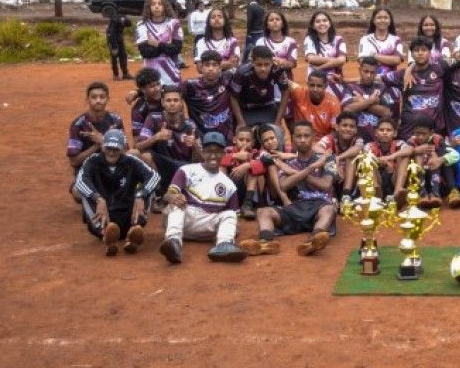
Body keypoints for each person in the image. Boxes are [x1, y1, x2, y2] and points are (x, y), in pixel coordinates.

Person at [241, 120, 337, 257]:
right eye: (299, 136)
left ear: (313, 137)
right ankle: (265, 243)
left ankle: (315, 240)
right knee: (263, 212)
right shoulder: (288, 161)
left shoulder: (327, 158)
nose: (302, 140)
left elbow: (326, 184)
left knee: (329, 209)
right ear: (293, 138)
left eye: (306, 136)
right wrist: (311, 168)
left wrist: (294, 173)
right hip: (295, 207)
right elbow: (284, 185)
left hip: (319, 205)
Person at [158, 131, 248, 264]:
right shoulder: (186, 170)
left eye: (217, 151)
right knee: (175, 206)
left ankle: (224, 245)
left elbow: (235, 217)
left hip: (207, 227)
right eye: (208, 151)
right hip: (184, 219)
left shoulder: (230, 185)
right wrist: (173, 197)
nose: (213, 155)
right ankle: (174, 243)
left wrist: (231, 230)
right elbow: (170, 192)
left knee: (230, 214)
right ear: (203, 152)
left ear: (223, 154)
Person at [75, 129, 158, 256]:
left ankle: (134, 230)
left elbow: (154, 177)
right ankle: (106, 234)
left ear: (122, 149)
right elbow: (80, 181)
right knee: (85, 193)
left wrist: (141, 195)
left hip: (128, 215)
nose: (111, 152)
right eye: (108, 148)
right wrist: (98, 198)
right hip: (103, 217)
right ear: (103, 147)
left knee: (147, 191)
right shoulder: (92, 161)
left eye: (116, 149)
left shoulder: (131, 161)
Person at [135, 85, 200, 205]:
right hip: (162, 167)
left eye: (176, 100)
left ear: (181, 103)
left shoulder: (190, 124)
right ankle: (159, 193)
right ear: (162, 102)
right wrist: (156, 137)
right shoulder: (153, 118)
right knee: (142, 155)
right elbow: (138, 147)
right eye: (168, 100)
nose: (172, 103)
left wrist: (194, 145)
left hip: (183, 168)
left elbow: (200, 159)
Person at [67, 82, 126, 198]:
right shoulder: (78, 125)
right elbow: (73, 161)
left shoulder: (116, 120)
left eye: (102, 97)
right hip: (89, 170)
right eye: (94, 97)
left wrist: (103, 140)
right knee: (77, 192)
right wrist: (97, 145)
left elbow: (126, 152)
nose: (98, 100)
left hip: (113, 168)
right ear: (87, 99)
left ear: (107, 99)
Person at [383, 37, 448, 138]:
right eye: (416, 50)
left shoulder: (439, 68)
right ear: (411, 54)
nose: (420, 53)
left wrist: (411, 67)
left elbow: (459, 62)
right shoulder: (403, 74)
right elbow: (379, 79)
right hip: (408, 132)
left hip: (434, 132)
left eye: (424, 50)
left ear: (430, 52)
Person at [393, 116, 459, 208]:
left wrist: (439, 160)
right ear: (413, 132)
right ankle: (421, 195)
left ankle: (436, 195)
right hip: (418, 180)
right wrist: (416, 150)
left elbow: (456, 155)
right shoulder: (411, 141)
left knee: (437, 157)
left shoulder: (438, 140)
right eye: (417, 133)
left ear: (431, 133)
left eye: (424, 134)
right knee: (414, 156)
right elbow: (404, 151)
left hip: (437, 181)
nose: (420, 137)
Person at [179, 50, 241, 141]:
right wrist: (186, 118)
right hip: (201, 134)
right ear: (201, 67)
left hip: (227, 133)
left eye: (214, 65)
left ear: (220, 67)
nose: (210, 68)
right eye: (207, 65)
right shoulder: (190, 85)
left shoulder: (227, 78)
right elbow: (178, 98)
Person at [341, 56, 399, 143]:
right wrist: (370, 101)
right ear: (360, 70)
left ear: (376, 73)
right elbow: (347, 109)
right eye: (366, 71)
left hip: (376, 140)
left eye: (372, 72)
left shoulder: (382, 88)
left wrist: (361, 102)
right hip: (355, 139)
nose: (368, 75)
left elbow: (387, 112)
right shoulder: (351, 87)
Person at [230, 45, 289, 128]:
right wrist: (240, 122)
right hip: (246, 108)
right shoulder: (241, 73)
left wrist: (278, 121)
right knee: (247, 136)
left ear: (272, 62)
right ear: (252, 63)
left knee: (274, 134)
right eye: (259, 65)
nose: (263, 69)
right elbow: (233, 97)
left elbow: (285, 91)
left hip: (269, 106)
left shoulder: (278, 70)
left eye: (267, 64)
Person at [315, 111, 365, 202]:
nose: (348, 129)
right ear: (337, 127)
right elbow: (316, 148)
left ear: (356, 130)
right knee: (322, 158)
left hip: (351, 178)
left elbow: (358, 148)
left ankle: (346, 194)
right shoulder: (330, 137)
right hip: (333, 176)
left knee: (351, 157)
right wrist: (333, 161)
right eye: (344, 125)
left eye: (351, 126)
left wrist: (338, 158)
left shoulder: (357, 139)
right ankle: (332, 196)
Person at [135, 0, 184, 84]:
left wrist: (157, 44)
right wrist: (166, 47)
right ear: (148, 7)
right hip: (151, 75)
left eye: (160, 4)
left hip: (172, 75)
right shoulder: (142, 25)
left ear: (165, 6)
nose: (156, 6)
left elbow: (177, 49)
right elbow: (145, 53)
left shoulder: (174, 23)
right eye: (153, 4)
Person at [288, 70, 342, 142]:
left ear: (325, 86)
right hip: (301, 140)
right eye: (312, 85)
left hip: (322, 143)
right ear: (307, 84)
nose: (315, 89)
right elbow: (285, 80)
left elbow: (336, 130)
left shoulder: (334, 103)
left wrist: (323, 143)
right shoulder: (299, 92)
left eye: (319, 86)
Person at [303, 11, 347, 96]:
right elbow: (312, 59)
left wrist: (320, 67)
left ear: (330, 23)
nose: (321, 23)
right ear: (313, 26)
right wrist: (335, 61)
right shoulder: (309, 39)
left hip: (335, 81)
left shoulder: (339, 39)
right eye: (318, 21)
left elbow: (342, 60)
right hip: (316, 84)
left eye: (324, 20)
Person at [365, 117, 408, 199]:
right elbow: (365, 153)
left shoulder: (399, 143)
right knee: (367, 159)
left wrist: (389, 157)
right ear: (376, 133)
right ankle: (376, 193)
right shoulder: (370, 145)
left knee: (403, 156)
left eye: (388, 130)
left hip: (394, 180)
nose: (385, 132)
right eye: (381, 130)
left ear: (395, 133)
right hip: (378, 180)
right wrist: (381, 162)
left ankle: (397, 193)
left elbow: (410, 149)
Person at [358, 6, 403, 76]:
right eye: (379, 17)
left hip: (391, 81)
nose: (382, 20)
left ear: (390, 20)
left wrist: (374, 56)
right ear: (373, 20)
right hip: (371, 80)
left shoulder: (396, 40)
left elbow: (397, 60)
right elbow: (362, 61)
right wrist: (388, 59)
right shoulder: (365, 39)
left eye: (386, 18)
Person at [254, 10, 298, 81]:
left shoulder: (291, 42)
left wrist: (272, 60)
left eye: (277, 19)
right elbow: (258, 62)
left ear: (283, 24)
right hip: (266, 81)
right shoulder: (260, 42)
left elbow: (292, 64)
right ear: (267, 25)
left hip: (286, 81)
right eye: (271, 20)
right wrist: (282, 61)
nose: (275, 21)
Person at [195, 6, 240, 71]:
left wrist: (208, 65)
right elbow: (199, 68)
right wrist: (227, 63)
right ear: (209, 22)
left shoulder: (233, 41)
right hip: (209, 80)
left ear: (225, 21)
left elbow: (234, 63)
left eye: (220, 17)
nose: (216, 19)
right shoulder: (201, 42)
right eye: (213, 17)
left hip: (230, 79)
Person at [129, 68, 163, 139]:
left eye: (158, 84)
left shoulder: (167, 96)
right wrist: (156, 138)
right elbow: (136, 140)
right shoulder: (138, 111)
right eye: (152, 86)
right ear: (143, 90)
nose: (157, 89)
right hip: (151, 144)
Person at [105, 8, 132, 81]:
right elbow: (112, 32)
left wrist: (124, 19)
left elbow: (129, 24)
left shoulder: (122, 18)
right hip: (112, 39)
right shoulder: (114, 18)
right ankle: (115, 75)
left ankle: (125, 74)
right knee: (114, 56)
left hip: (120, 38)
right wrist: (114, 45)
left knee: (123, 55)